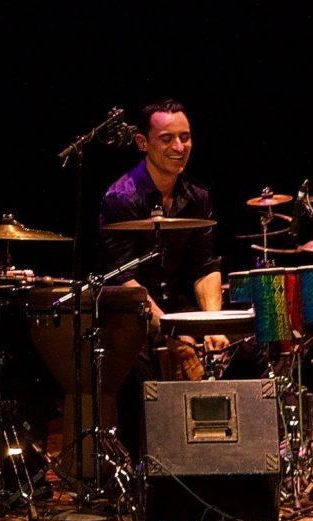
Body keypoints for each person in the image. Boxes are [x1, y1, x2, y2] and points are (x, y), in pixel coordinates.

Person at [97, 99, 229, 357]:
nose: (179, 147)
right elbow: (123, 280)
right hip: (132, 315)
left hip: (179, 307)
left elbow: (205, 266)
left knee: (246, 347)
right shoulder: (120, 198)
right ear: (142, 143)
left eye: (185, 137)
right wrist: (173, 333)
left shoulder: (198, 195)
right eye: (167, 138)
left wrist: (213, 325)